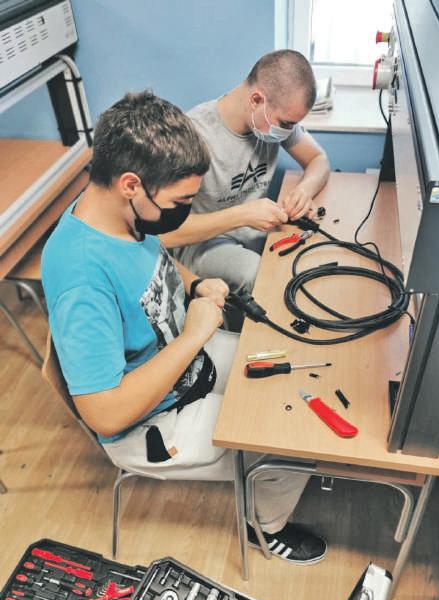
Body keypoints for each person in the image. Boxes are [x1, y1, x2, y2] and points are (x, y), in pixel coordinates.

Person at [41, 91, 326, 565]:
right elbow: (105, 415)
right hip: (148, 423)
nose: (186, 211)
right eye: (182, 201)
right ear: (131, 184)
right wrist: (194, 335)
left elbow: (153, 263)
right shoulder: (82, 276)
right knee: (292, 437)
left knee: (296, 375)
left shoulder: (115, 211)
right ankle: (266, 527)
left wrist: (193, 285)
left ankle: (264, 480)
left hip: (184, 359)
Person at [161, 49, 330, 307]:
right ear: (256, 100)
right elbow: (163, 235)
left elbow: (319, 160)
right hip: (201, 244)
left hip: (255, 231)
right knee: (262, 277)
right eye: (285, 124)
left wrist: (303, 191)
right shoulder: (193, 137)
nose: (288, 132)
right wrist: (242, 215)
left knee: (310, 261)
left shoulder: (271, 121)